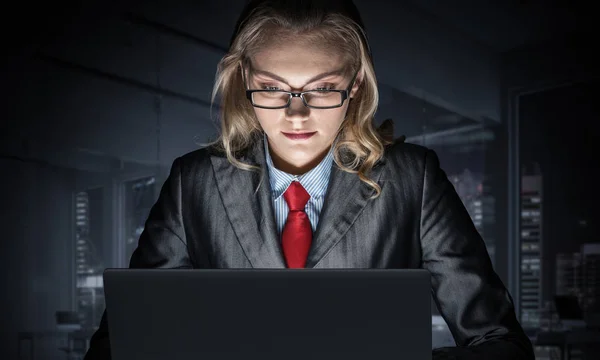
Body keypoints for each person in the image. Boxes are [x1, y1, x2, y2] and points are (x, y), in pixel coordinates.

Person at [84, 1, 535, 359]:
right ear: (244, 78)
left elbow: (500, 343)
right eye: (273, 87)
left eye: (321, 89)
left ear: (356, 83)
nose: (296, 114)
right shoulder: (194, 183)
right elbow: (122, 343)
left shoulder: (412, 179)